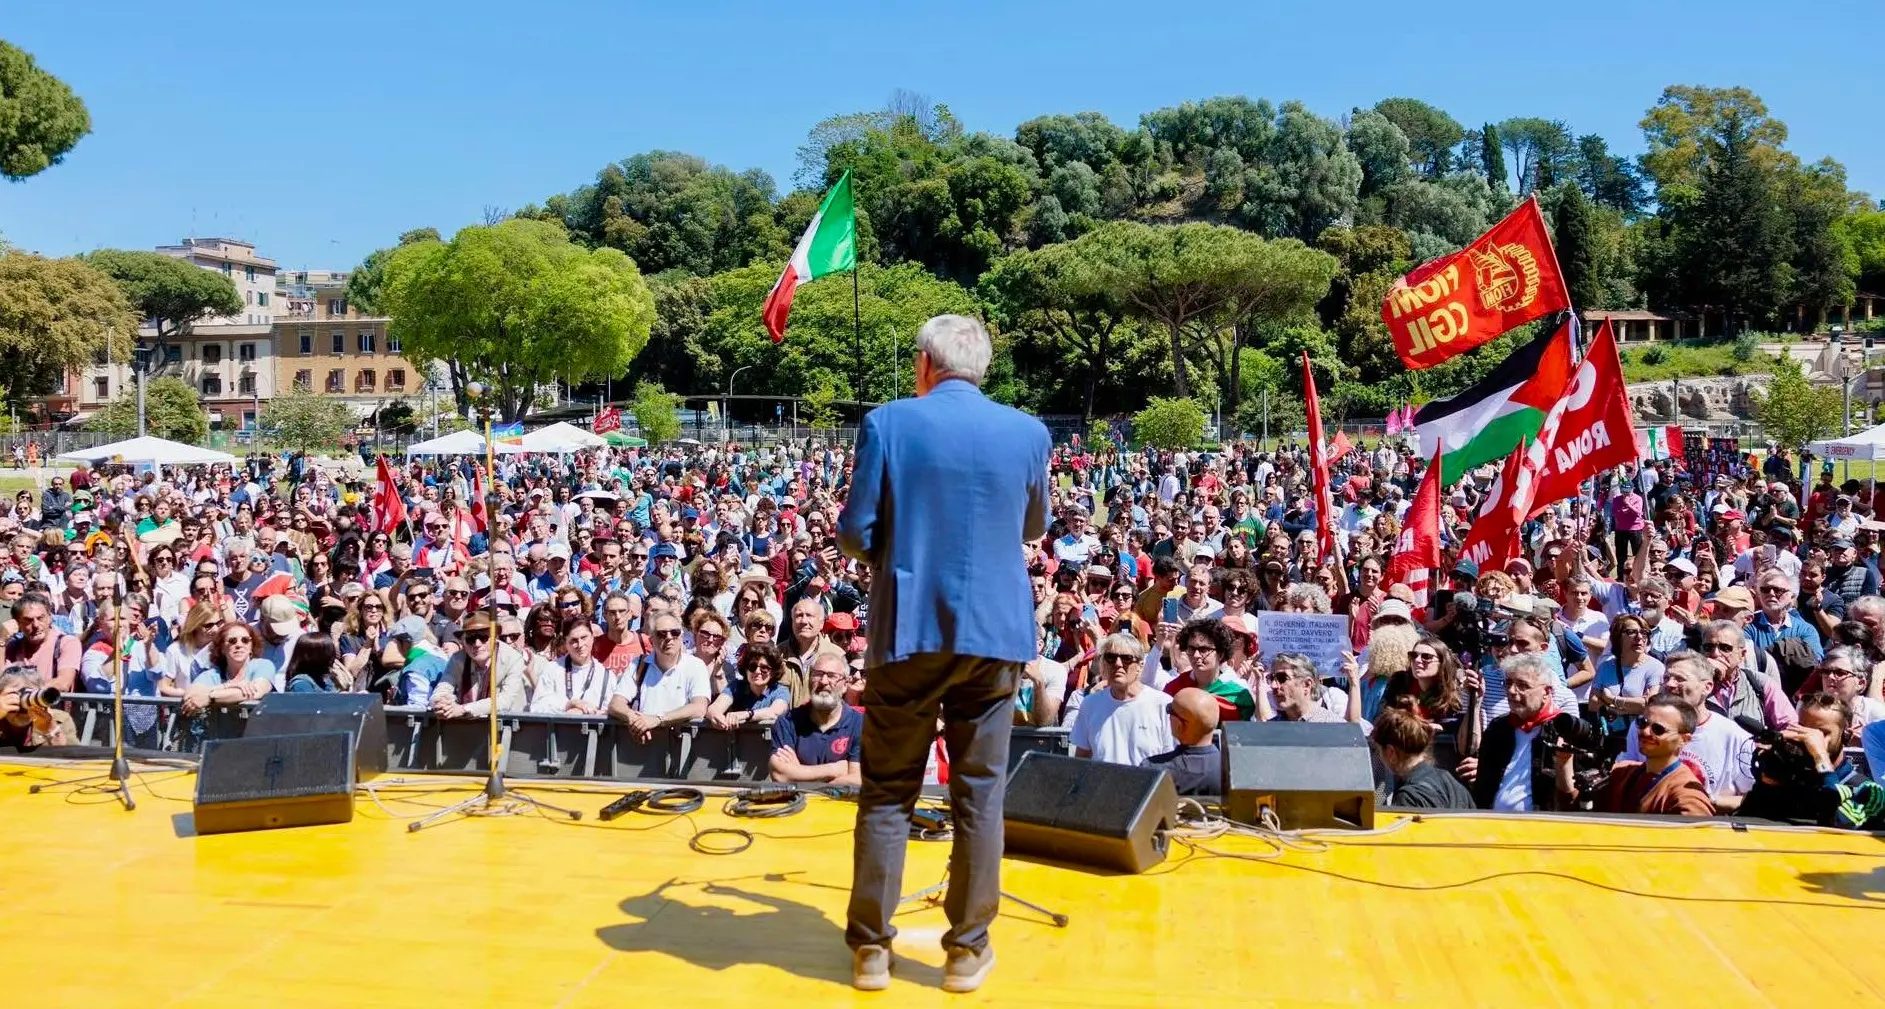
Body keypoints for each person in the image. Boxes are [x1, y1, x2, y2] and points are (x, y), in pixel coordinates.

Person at [835, 314, 1050, 994]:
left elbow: (854, 529)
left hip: (908, 631)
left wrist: (896, 558)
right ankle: (965, 950)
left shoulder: (889, 422)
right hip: (994, 633)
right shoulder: (1028, 432)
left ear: (925, 364)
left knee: (888, 793)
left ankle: (871, 949)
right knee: (979, 794)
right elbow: (1034, 523)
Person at [1590, 694, 1715, 816]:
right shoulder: (1622, 772)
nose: (1645, 732)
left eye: (1658, 729)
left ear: (1684, 739)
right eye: (1642, 723)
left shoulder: (1687, 797)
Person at [768, 652, 863, 785]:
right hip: (797, 804)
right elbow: (780, 775)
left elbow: (857, 780)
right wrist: (834, 770)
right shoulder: (788, 722)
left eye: (832, 676)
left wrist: (799, 772)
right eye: (818, 674)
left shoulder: (860, 724)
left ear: (845, 684)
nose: (824, 681)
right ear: (809, 681)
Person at [1372, 699, 1475, 809]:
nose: (1380, 757)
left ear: (1391, 752)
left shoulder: (1409, 798)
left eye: (1379, 751)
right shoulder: (1449, 780)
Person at [1142, 686, 1220, 795]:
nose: (1168, 715)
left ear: (1179, 725)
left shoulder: (1153, 771)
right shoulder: (1233, 771)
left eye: (1170, 710)